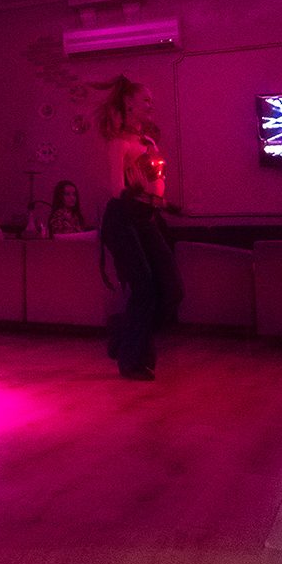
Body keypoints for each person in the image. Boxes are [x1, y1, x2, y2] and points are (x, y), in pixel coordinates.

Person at [93, 75, 183, 380]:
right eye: (146, 99)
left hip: (147, 217)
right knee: (144, 289)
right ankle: (131, 359)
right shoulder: (119, 142)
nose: (151, 104)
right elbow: (116, 189)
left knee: (173, 290)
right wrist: (136, 191)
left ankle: (123, 338)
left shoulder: (148, 143)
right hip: (123, 218)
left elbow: (152, 186)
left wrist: (169, 205)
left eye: (151, 100)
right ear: (129, 103)